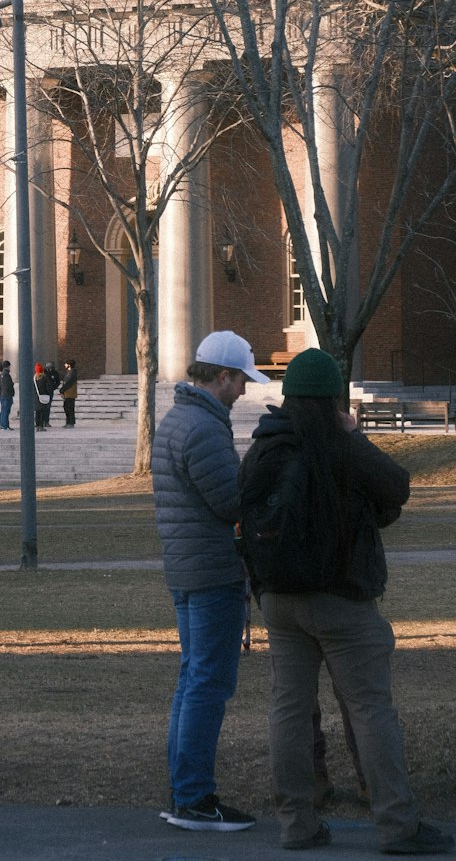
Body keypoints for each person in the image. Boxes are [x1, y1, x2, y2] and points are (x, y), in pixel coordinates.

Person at [238, 348, 454, 856]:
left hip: (279, 598)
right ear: (334, 397)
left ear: (288, 395)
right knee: (370, 709)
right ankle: (398, 824)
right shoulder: (338, 443)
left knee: (288, 710)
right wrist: (354, 434)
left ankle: (297, 822)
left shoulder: (265, 444)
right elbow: (396, 488)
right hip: (340, 598)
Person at [151, 329, 270, 832]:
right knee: (208, 683)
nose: (243, 390)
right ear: (221, 376)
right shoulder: (202, 427)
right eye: (240, 380)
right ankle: (195, 797)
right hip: (210, 571)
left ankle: (186, 792)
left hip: (187, 568)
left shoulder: (178, 419)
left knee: (192, 680)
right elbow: (231, 501)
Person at [0, 359, 14, 431]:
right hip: (7, 395)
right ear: (8, 366)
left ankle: (1, 424)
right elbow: (7, 385)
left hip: (2, 394)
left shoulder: (1, 375)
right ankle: (4, 425)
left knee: (3, 410)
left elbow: (0, 385)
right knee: (6, 410)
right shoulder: (6, 374)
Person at [60, 358, 78, 427]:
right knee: (66, 407)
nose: (65, 365)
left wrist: (62, 390)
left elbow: (69, 383)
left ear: (69, 365)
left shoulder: (73, 373)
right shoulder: (68, 372)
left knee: (70, 408)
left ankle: (71, 422)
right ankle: (68, 422)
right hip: (67, 392)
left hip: (70, 393)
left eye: (66, 364)